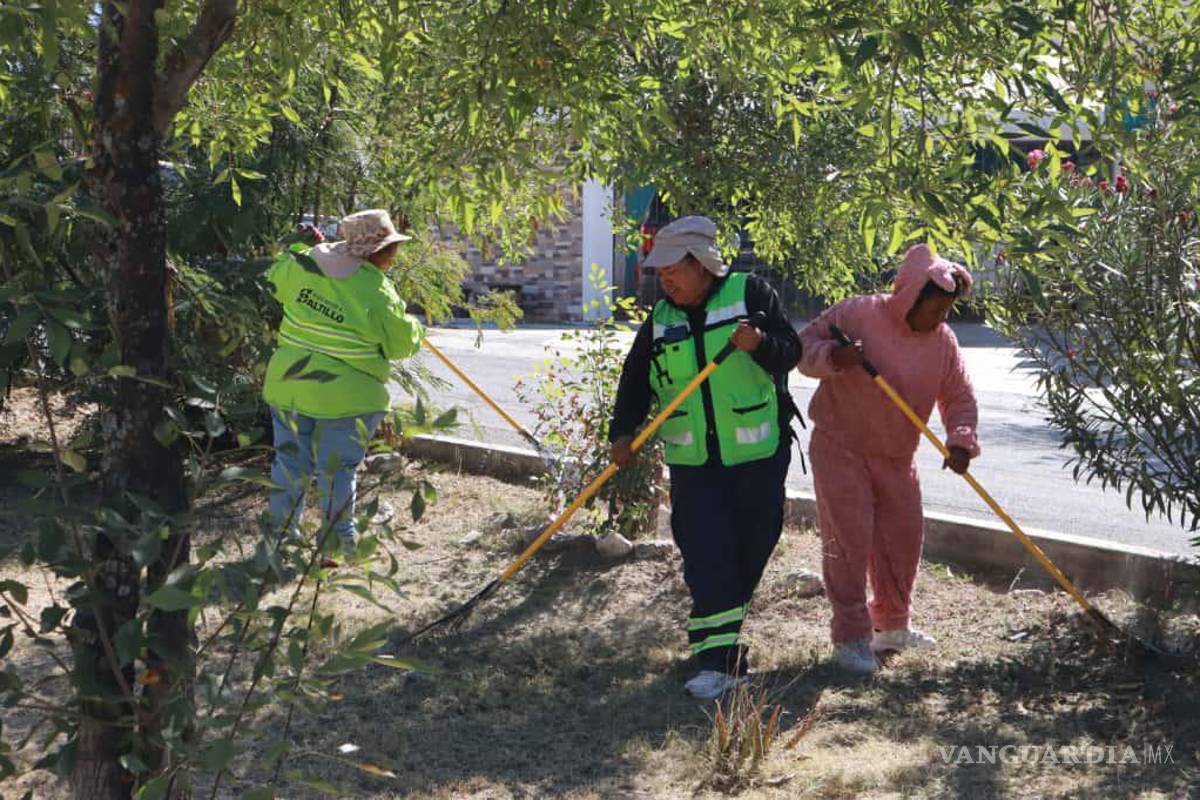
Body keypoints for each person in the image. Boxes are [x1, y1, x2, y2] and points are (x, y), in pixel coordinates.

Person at [609, 215, 802, 700]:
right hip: (693, 459)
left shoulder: (750, 294)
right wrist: (622, 432)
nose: (666, 279)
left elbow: (790, 352)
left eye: (674, 269)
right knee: (706, 552)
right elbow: (635, 380)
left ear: (702, 264)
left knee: (751, 545)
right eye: (661, 273)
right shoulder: (662, 318)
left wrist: (758, 345)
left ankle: (719, 639)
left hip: (757, 453)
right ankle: (718, 659)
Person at [797, 243, 980, 675]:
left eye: (946, 311)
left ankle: (893, 626)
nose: (939, 319)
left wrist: (961, 440)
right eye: (934, 309)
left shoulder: (943, 342)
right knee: (850, 543)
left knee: (901, 540)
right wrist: (835, 358)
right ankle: (851, 638)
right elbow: (803, 347)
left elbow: (958, 395)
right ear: (909, 296)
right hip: (841, 447)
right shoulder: (859, 314)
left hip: (898, 456)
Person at [262, 209, 424, 551]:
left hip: (289, 386)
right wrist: (414, 325)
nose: (394, 255)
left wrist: (296, 249)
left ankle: (280, 546)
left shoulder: (306, 262)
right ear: (377, 252)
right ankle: (335, 546)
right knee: (337, 472)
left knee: (289, 466)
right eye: (392, 248)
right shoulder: (376, 290)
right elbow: (400, 346)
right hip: (347, 399)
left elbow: (275, 281)